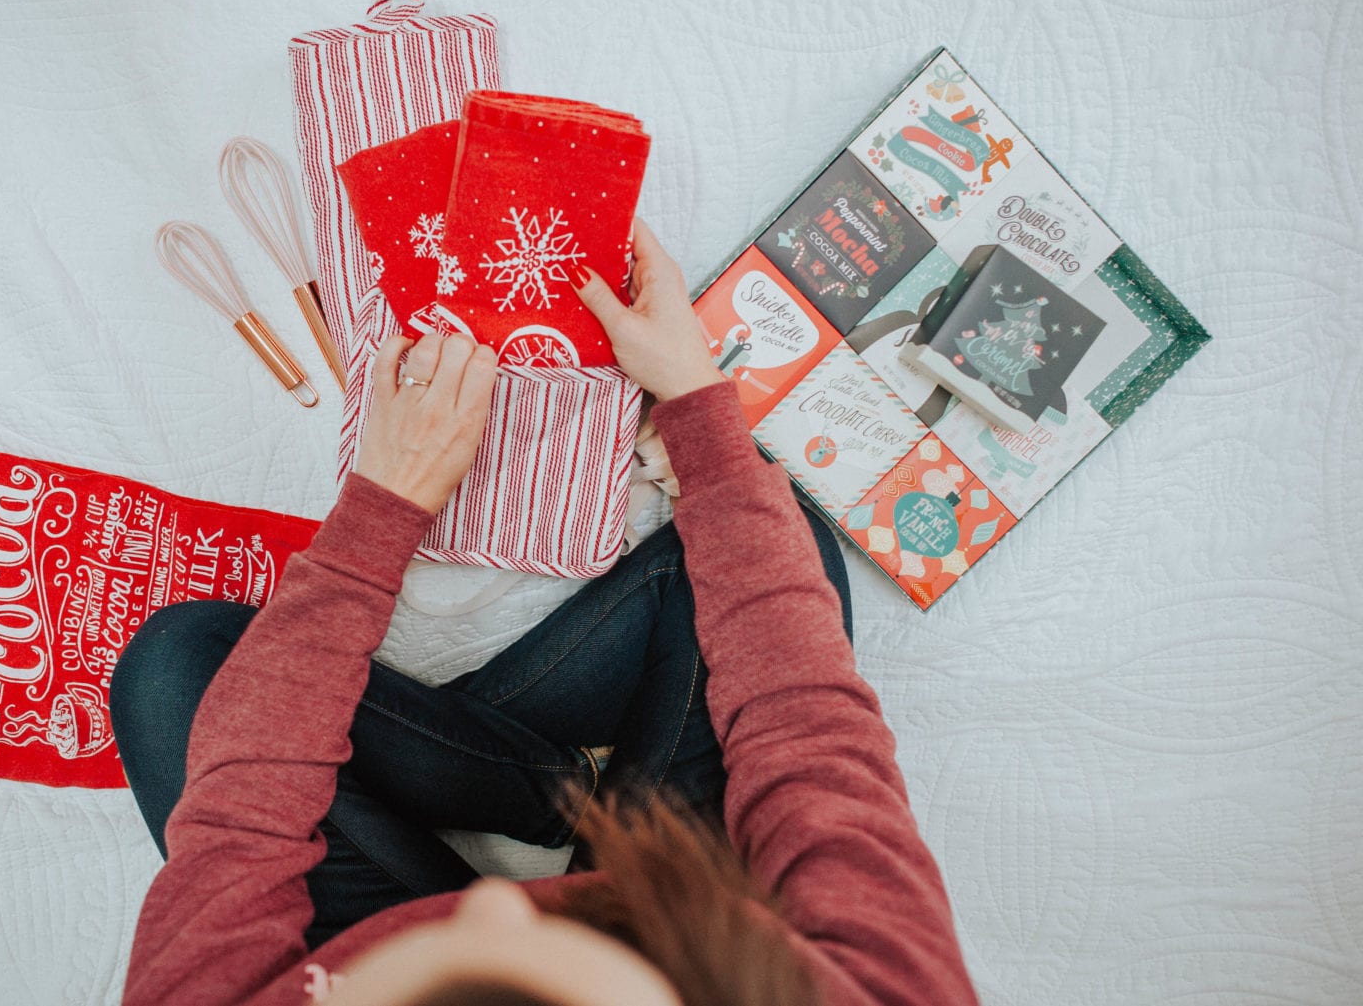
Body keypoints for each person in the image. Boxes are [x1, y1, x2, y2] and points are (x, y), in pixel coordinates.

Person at [111, 220, 978, 1005]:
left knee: (178, 666)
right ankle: (569, 794)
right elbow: (809, 729)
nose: (493, 901)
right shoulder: (878, 986)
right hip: (678, 898)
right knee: (780, 552)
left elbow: (238, 821)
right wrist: (693, 401)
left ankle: (553, 790)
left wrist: (382, 506)